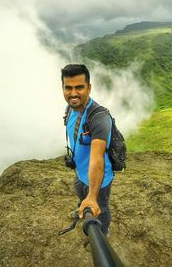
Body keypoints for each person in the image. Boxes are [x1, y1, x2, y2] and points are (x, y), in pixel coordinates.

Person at [61, 64, 114, 236]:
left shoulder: (99, 118)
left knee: (101, 208)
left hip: (99, 179)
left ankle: (103, 232)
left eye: (79, 87)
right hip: (80, 173)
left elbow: (98, 157)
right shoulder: (70, 109)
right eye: (68, 88)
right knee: (80, 194)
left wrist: (92, 196)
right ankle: (82, 207)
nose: (73, 93)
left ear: (89, 88)